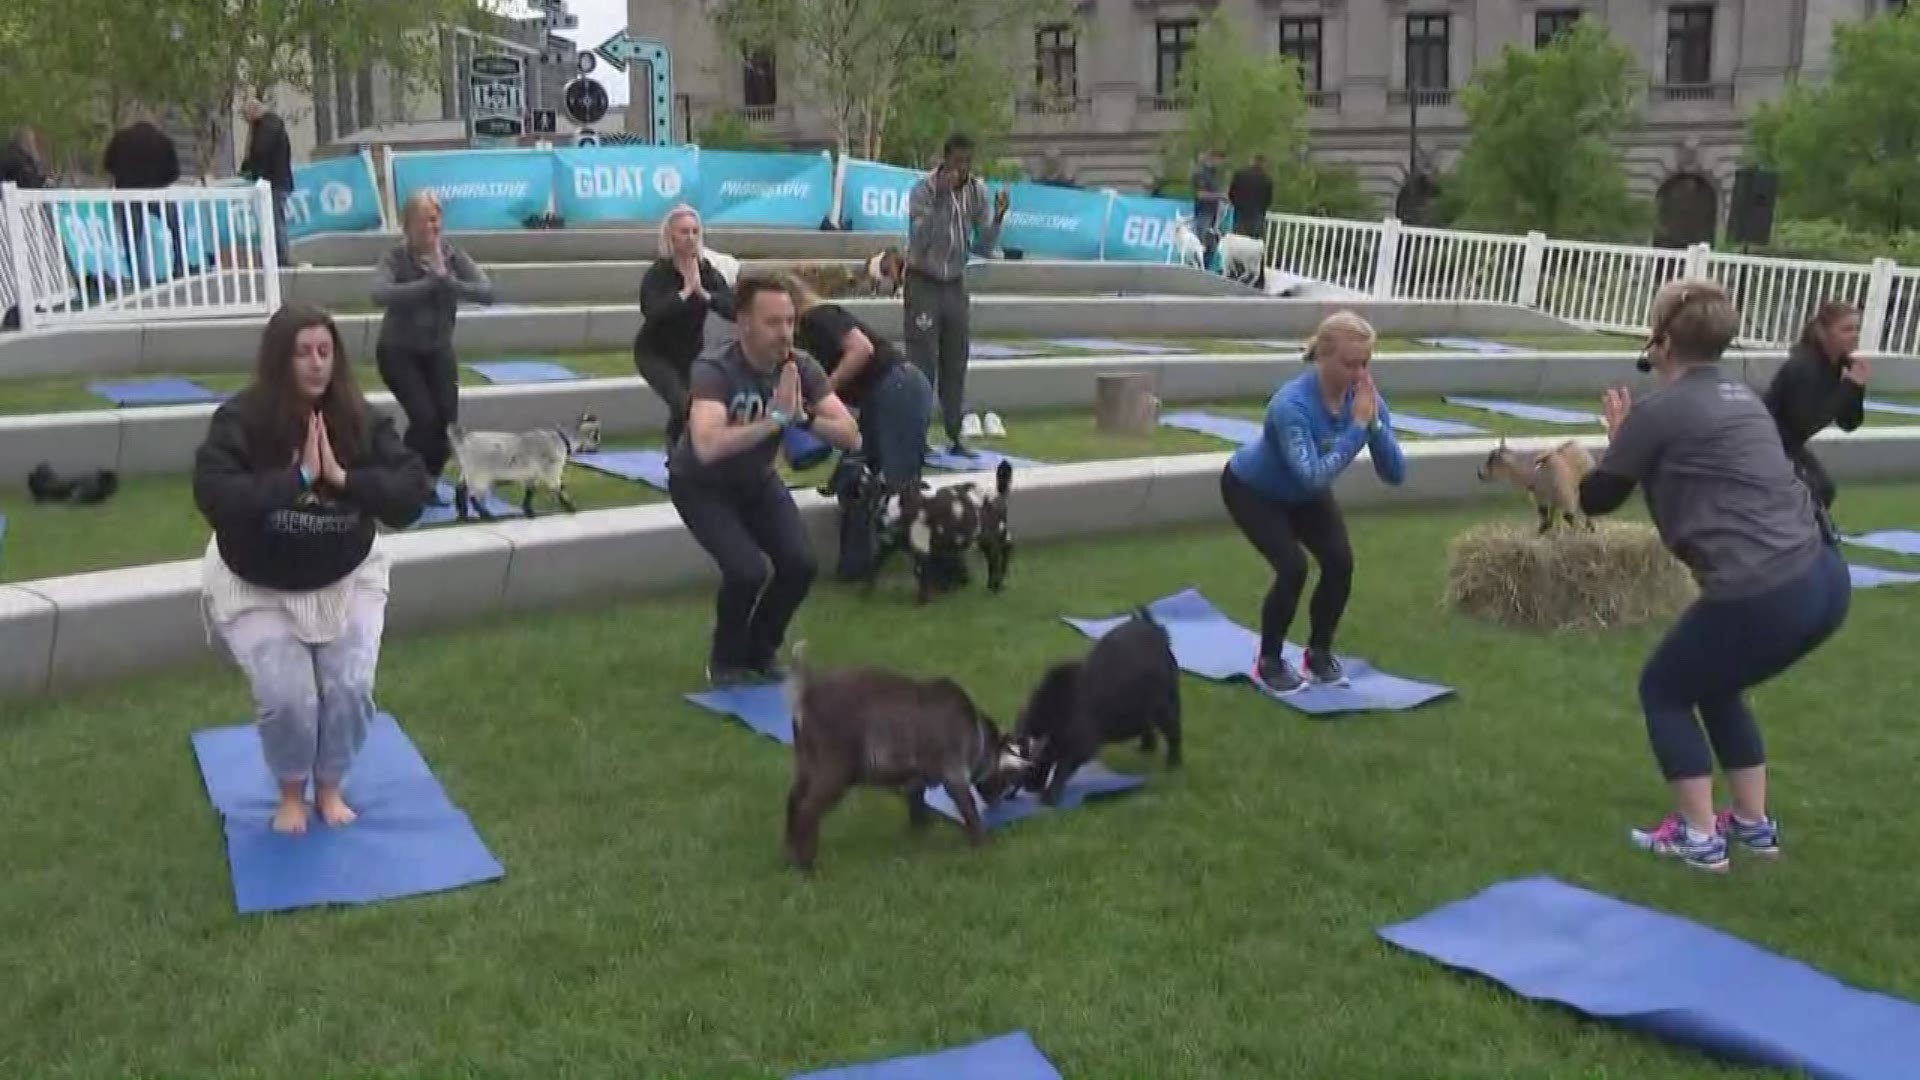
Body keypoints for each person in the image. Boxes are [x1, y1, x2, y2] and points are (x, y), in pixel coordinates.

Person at [1579, 279, 1851, 872]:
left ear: (1660, 341)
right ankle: (1753, 828)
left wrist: (1617, 440)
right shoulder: (1741, 393)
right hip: (1826, 580)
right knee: (1716, 684)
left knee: (1664, 689)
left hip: (1764, 589)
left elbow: (1597, 498)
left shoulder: (1658, 412)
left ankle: (1700, 839)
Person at [192, 303, 433, 835]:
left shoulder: (361, 420)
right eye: (303, 352)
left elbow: (413, 492)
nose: (316, 363)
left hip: (347, 575)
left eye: (325, 351)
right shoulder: (241, 420)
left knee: (349, 687)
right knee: (288, 697)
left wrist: (343, 480)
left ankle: (329, 786)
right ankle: (290, 791)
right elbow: (214, 495)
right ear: (280, 359)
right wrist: (298, 478)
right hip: (258, 583)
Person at [668, 273, 863, 687]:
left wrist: (805, 417)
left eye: (790, 321)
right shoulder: (715, 368)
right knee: (746, 571)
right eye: (773, 323)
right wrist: (774, 419)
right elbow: (707, 445)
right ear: (744, 324)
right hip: (701, 484)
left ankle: (761, 650)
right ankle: (725, 661)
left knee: (800, 564)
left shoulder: (801, 366)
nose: (785, 333)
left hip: (755, 480)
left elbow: (850, 434)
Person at [1220, 312, 1406, 694]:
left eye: (1365, 364)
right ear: (1323, 356)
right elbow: (1314, 476)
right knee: (1292, 567)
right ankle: (1268, 660)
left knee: (1340, 562)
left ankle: (1317, 654)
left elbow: (1395, 473)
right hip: (1253, 490)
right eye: (1349, 364)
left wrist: (1373, 425)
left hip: (1304, 492)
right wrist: (1357, 428)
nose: (1359, 374)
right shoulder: (1291, 406)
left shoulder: (1365, 398)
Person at [370, 190, 495, 500]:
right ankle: (403, 475)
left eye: (435, 219)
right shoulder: (395, 258)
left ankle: (426, 480)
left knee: (447, 425)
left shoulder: (453, 255)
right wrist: (427, 285)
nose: (432, 226)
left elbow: (487, 291)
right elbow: (378, 293)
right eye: (424, 220)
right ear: (408, 226)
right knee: (425, 420)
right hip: (398, 352)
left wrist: (449, 283)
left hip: (437, 350)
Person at [905, 133, 1009, 456]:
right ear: (944, 159)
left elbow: (983, 246)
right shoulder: (923, 191)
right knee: (922, 363)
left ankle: (954, 433)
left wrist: (998, 218)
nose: (961, 169)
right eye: (956, 162)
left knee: (956, 360)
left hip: (955, 284)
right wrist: (940, 201)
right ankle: (916, 437)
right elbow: (919, 240)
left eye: (967, 163)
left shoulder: (977, 192)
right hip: (923, 281)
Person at [790, 275, 934, 488]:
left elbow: (861, 349)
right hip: (881, 393)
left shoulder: (818, 316)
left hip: (897, 385)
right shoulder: (799, 340)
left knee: (899, 480)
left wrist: (827, 389)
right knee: (854, 472)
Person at [637, 204, 735, 447]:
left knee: (692, 408)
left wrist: (704, 294)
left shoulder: (707, 271)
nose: (690, 238)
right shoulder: (659, 273)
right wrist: (684, 293)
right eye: (684, 232)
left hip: (690, 355)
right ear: (670, 236)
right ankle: (677, 456)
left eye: (695, 231)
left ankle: (678, 452)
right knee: (682, 402)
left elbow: (733, 309)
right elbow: (652, 311)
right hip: (654, 354)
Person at [1762, 300, 1868, 511]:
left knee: (1823, 490)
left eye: (1857, 329)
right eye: (1847, 329)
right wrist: (1849, 386)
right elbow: (1806, 421)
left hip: (1789, 443)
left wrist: (1857, 387)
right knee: (1815, 491)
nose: (1855, 334)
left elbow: (1849, 422)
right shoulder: (1805, 365)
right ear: (1823, 332)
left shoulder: (1836, 364)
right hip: (1765, 443)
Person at [102, 112, 184, 279]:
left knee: (132, 237)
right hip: (157, 192)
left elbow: (108, 164)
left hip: (128, 193)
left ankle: (137, 274)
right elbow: (174, 172)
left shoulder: (120, 139)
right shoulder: (163, 141)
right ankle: (180, 264)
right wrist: (160, 182)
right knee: (176, 227)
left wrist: (122, 178)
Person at [240, 97, 297, 267]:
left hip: (274, 182)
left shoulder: (267, 128)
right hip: (277, 181)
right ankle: (279, 256)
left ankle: (281, 257)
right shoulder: (271, 126)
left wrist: (249, 167)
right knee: (274, 220)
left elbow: (259, 152)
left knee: (275, 220)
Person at [1190, 148, 1227, 269]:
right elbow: (1200, 194)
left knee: (1212, 245)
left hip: (1213, 215)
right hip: (1203, 213)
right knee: (1201, 245)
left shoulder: (1213, 174)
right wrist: (1220, 195)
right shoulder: (1201, 174)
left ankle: (1203, 269)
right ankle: (1195, 270)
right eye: (1219, 160)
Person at [1228, 153, 1273, 240]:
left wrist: (1236, 204)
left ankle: (1238, 252)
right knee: (1254, 238)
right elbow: (1268, 197)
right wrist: (1263, 209)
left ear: (1252, 161)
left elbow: (1232, 191)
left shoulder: (1240, 174)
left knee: (1238, 236)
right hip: (1257, 212)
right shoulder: (1266, 179)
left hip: (1240, 210)